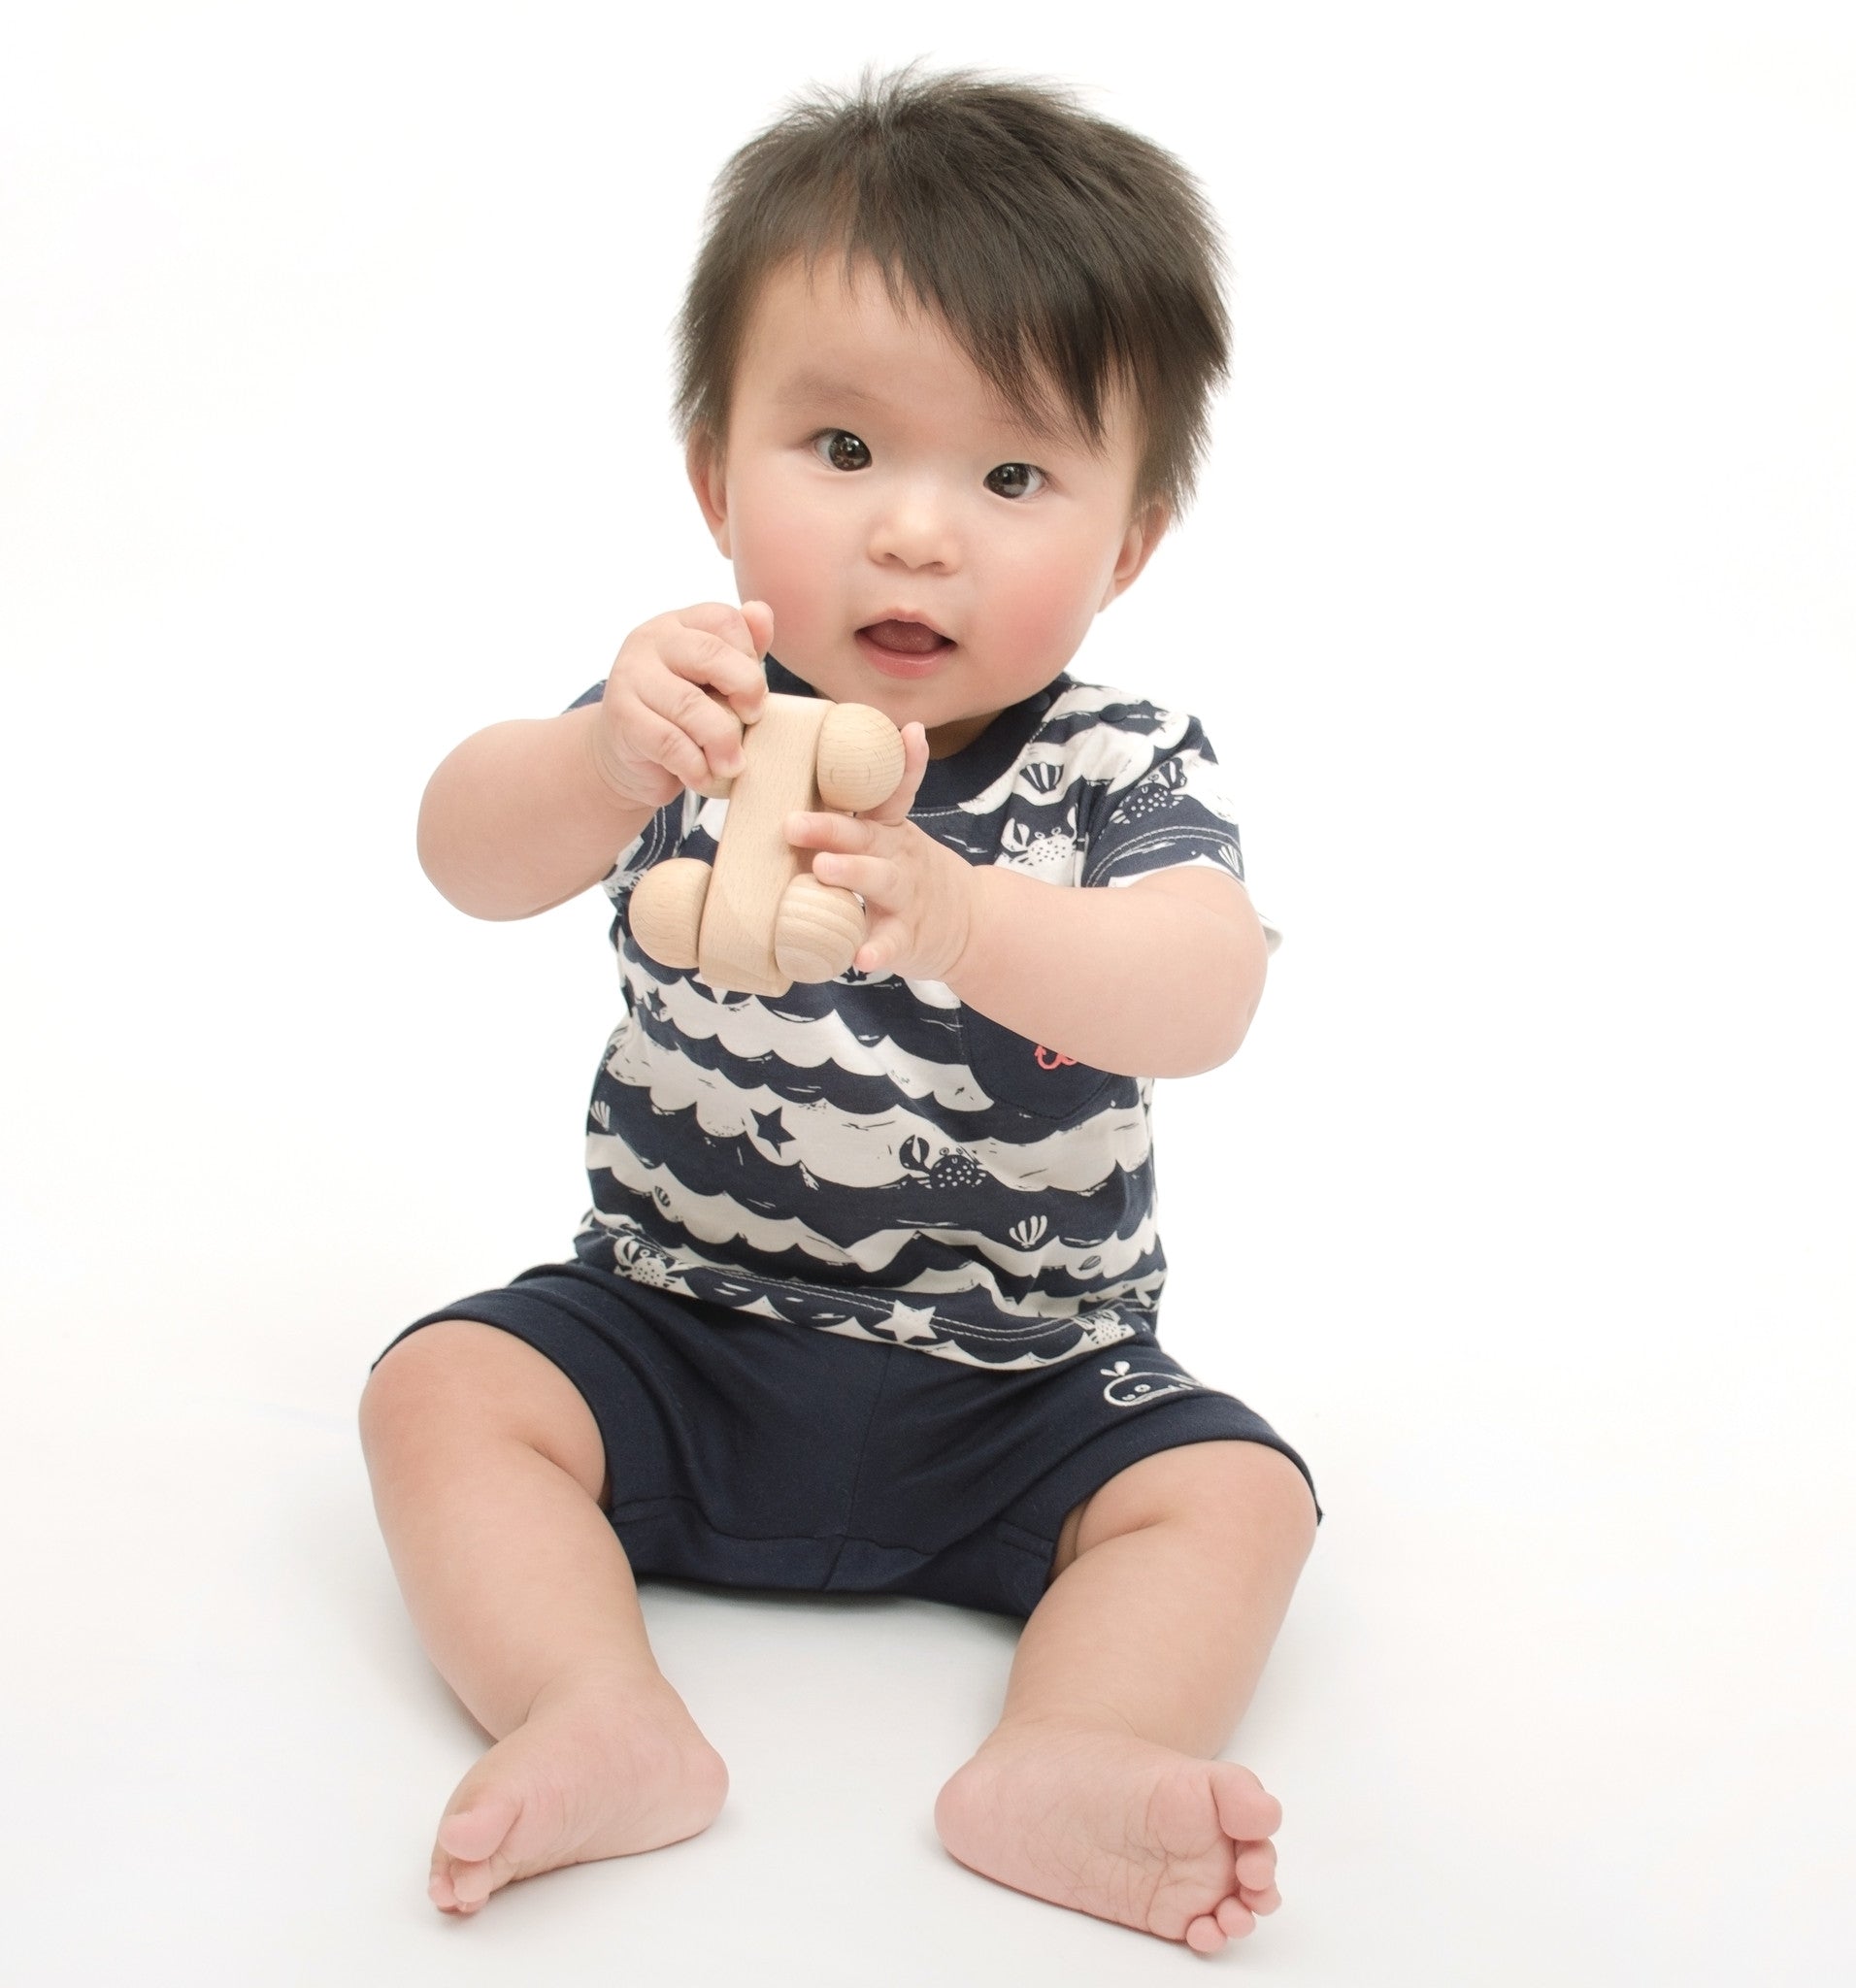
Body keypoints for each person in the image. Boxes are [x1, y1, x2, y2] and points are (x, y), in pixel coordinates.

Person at [357, 64, 1322, 1958]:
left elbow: (1203, 988)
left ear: (1128, 542)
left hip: (1025, 1377)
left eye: (1015, 475)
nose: (914, 535)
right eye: (844, 450)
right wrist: (591, 760)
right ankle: (589, 1702)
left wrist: (963, 914)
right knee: (441, 1390)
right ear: (716, 475)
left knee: (1234, 1493)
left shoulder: (1114, 766)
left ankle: (1077, 1743)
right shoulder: (689, 712)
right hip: (669, 1327)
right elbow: (463, 855)